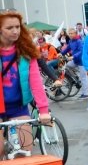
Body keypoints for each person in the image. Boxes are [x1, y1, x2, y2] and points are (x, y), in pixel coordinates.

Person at [0, 10, 53, 155]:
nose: (15, 31)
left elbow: (36, 83)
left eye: (17, 27)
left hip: (19, 107)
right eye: (9, 28)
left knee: (26, 149)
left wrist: (43, 110)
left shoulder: (26, 51)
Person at [64, 28, 88, 99]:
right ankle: (75, 77)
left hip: (82, 61)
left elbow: (82, 51)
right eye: (69, 33)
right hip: (75, 60)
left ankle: (85, 94)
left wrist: (73, 56)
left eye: (72, 33)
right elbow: (67, 49)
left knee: (83, 78)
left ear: (75, 34)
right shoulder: (71, 41)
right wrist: (60, 53)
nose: (70, 35)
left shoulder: (79, 41)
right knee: (67, 66)